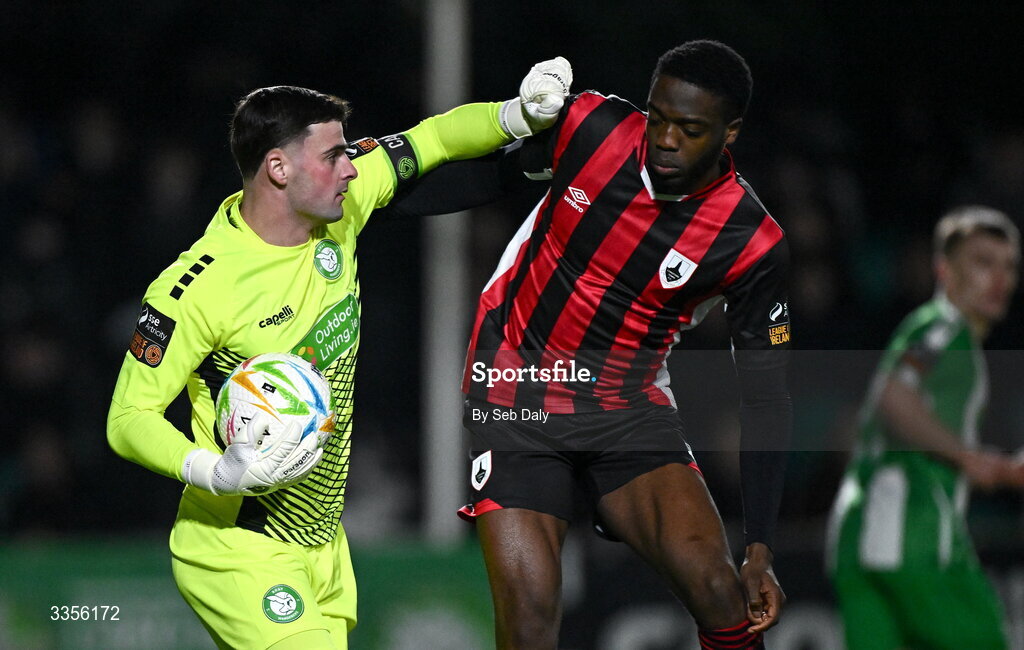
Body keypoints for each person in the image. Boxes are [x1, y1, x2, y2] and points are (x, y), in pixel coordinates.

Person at [106, 57, 572, 650]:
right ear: (278, 167)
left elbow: (431, 139)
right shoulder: (194, 289)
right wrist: (213, 471)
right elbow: (128, 420)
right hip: (239, 548)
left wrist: (515, 116)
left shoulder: (338, 210)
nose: (351, 168)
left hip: (323, 542)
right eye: (333, 156)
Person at [396, 39, 790, 649]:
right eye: (658, 118)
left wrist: (760, 548)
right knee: (528, 619)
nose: (663, 140)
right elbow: (485, 177)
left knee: (719, 592)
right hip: (514, 394)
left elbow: (766, 398)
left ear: (729, 132)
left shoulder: (750, 241)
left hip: (624, 411)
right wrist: (356, 201)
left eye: (689, 129)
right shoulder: (592, 129)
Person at [827, 206, 1024, 649]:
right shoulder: (942, 329)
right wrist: (967, 457)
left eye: (1009, 266)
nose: (1000, 279)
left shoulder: (932, 335)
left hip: (859, 534)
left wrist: (996, 468)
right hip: (910, 534)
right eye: (983, 262)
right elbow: (896, 397)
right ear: (944, 270)